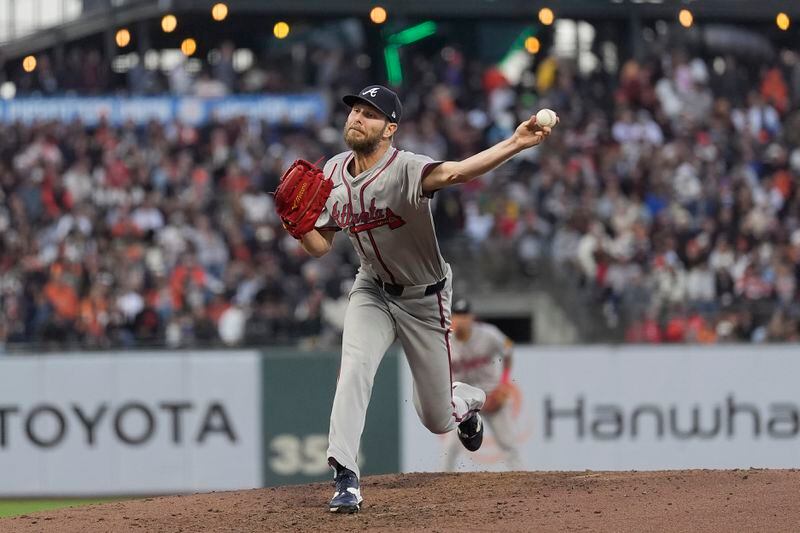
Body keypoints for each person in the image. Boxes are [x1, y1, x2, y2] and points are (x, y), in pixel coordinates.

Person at [290, 84, 554, 513]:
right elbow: (320, 246)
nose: (356, 118)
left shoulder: (406, 168)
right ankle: (345, 475)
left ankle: (466, 402)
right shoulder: (334, 173)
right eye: (354, 110)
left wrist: (517, 142)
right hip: (371, 288)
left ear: (390, 129)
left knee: (435, 418)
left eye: (369, 114)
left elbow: (458, 173)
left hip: (424, 297)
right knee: (354, 367)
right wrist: (299, 229)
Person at [441, 298, 522, 472]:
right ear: (451, 318)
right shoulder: (444, 339)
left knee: (508, 445)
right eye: (457, 315)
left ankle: (525, 488)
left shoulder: (489, 334)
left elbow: (508, 349)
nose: (461, 320)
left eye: (465, 315)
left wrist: (504, 383)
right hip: (463, 400)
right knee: (450, 448)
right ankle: (441, 489)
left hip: (491, 395)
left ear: (472, 318)